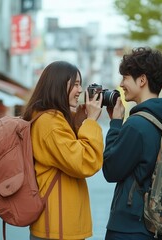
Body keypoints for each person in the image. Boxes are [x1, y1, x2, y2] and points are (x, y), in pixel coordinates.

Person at [103, 47, 162, 240]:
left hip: (129, 227)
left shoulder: (137, 124)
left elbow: (111, 170)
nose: (121, 84)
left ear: (142, 80)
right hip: (158, 225)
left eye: (125, 78)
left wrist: (115, 124)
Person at [22, 61, 104, 239]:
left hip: (58, 225)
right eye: (75, 84)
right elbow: (84, 162)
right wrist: (90, 121)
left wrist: (79, 119)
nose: (80, 90)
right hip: (57, 228)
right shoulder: (50, 122)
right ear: (58, 85)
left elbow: (66, 151)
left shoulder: (50, 118)